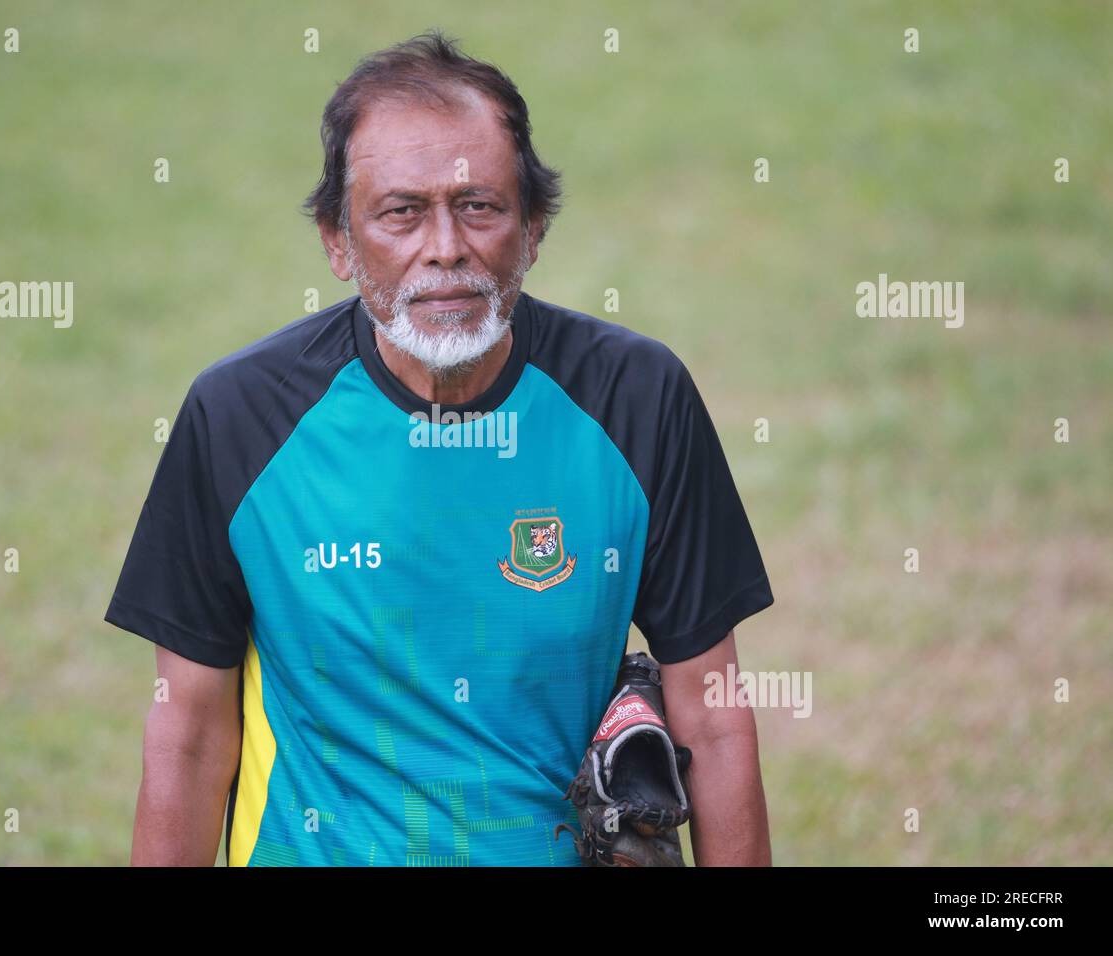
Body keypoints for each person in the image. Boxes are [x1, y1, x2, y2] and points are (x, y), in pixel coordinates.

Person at [105, 30, 774, 866]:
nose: (446, 248)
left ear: (533, 229)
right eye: (401, 212)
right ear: (338, 242)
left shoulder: (639, 400)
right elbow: (190, 735)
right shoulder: (237, 417)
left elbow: (711, 719)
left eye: (480, 206)